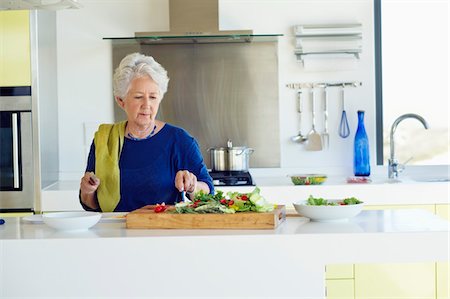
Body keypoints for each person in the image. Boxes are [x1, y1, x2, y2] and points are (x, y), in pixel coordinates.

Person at [79, 53, 214, 212]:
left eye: (153, 97)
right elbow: (90, 204)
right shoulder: (105, 140)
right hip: (115, 232)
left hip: (162, 231)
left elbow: (208, 193)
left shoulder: (179, 140)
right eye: (138, 97)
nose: (146, 105)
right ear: (121, 101)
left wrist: (192, 186)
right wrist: (87, 191)